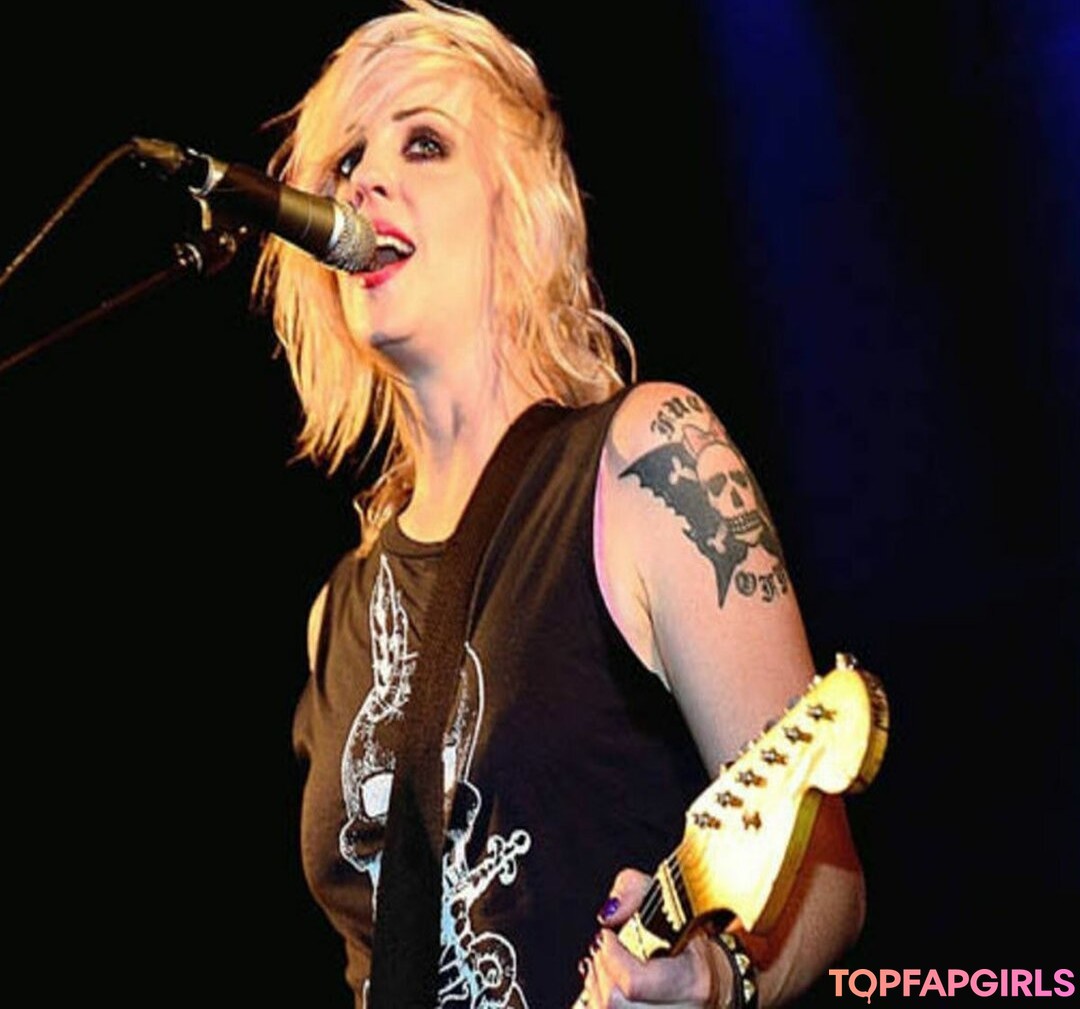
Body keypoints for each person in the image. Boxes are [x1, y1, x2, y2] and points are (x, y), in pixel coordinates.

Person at [253, 1, 868, 1006]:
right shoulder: (340, 612)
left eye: (423, 142)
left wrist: (712, 978)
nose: (363, 182)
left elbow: (828, 874)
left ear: (520, 205)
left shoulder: (644, 461)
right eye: (346, 162)